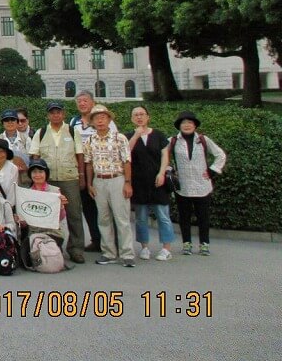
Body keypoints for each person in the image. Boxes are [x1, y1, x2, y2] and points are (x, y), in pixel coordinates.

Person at [28, 101, 86, 264]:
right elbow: (35, 155)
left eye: (58, 112)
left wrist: (81, 175)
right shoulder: (41, 132)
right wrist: (38, 178)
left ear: (63, 114)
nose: (55, 115)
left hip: (69, 178)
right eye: (52, 112)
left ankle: (76, 249)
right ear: (48, 115)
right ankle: (52, 246)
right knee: (48, 215)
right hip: (49, 179)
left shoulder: (72, 131)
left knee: (74, 213)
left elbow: (80, 154)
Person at [83, 105, 135, 267]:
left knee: (122, 218)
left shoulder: (120, 138)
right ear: (92, 122)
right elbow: (88, 164)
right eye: (96, 118)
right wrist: (90, 184)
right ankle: (109, 253)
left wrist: (127, 182)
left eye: (103, 117)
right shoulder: (90, 140)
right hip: (99, 180)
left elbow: (127, 161)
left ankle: (127, 254)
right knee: (103, 218)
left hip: (117, 179)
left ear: (109, 119)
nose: (100, 120)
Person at [171, 110, 226, 256]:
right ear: (179, 126)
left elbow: (220, 155)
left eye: (190, 122)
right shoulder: (173, 141)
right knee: (184, 216)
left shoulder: (203, 140)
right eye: (184, 123)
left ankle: (204, 244)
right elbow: (163, 158)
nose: (187, 125)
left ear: (195, 125)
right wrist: (170, 170)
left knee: (203, 216)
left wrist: (212, 170)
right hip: (183, 186)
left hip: (202, 185)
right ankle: (186, 243)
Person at [127, 106, 174, 261]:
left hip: (157, 181)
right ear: (132, 118)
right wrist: (136, 135)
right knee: (140, 217)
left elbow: (165, 155)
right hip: (139, 182)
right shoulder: (128, 136)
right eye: (136, 115)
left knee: (163, 215)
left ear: (148, 117)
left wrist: (161, 173)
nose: (139, 117)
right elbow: (126, 154)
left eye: (142, 114)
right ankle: (144, 247)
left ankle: (166, 248)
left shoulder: (159, 135)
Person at [71, 91, 115, 253]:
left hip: (103, 169)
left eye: (85, 101)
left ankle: (111, 242)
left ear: (92, 102)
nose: (82, 104)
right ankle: (96, 240)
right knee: (88, 207)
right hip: (82, 170)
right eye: (79, 101)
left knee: (105, 208)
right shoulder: (74, 122)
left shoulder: (103, 120)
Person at [19, 160, 69, 273]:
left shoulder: (55, 191)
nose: (37, 175)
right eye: (34, 172)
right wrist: (19, 219)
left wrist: (61, 206)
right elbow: (24, 223)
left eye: (41, 172)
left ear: (46, 173)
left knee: (46, 251)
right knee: (23, 258)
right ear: (30, 175)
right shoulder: (26, 193)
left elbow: (61, 218)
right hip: (34, 233)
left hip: (52, 232)